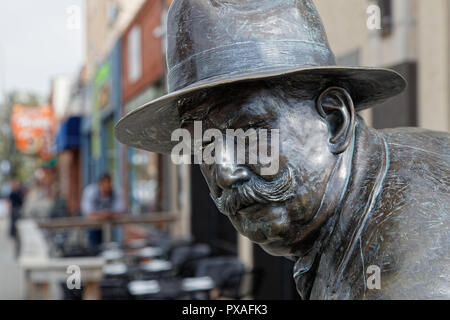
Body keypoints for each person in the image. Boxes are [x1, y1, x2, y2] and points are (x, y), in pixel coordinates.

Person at [115, 0, 449, 299]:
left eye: (250, 132)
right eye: (203, 142)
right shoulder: (377, 169)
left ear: (334, 120)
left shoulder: (401, 280)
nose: (225, 171)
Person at [81, 173, 124, 247]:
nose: (107, 186)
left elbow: (120, 212)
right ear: (99, 184)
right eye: (104, 183)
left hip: (110, 227)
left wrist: (107, 215)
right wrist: (104, 215)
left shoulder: (115, 191)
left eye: (108, 183)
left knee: (109, 247)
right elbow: (88, 214)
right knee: (94, 248)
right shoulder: (91, 191)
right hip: (93, 227)